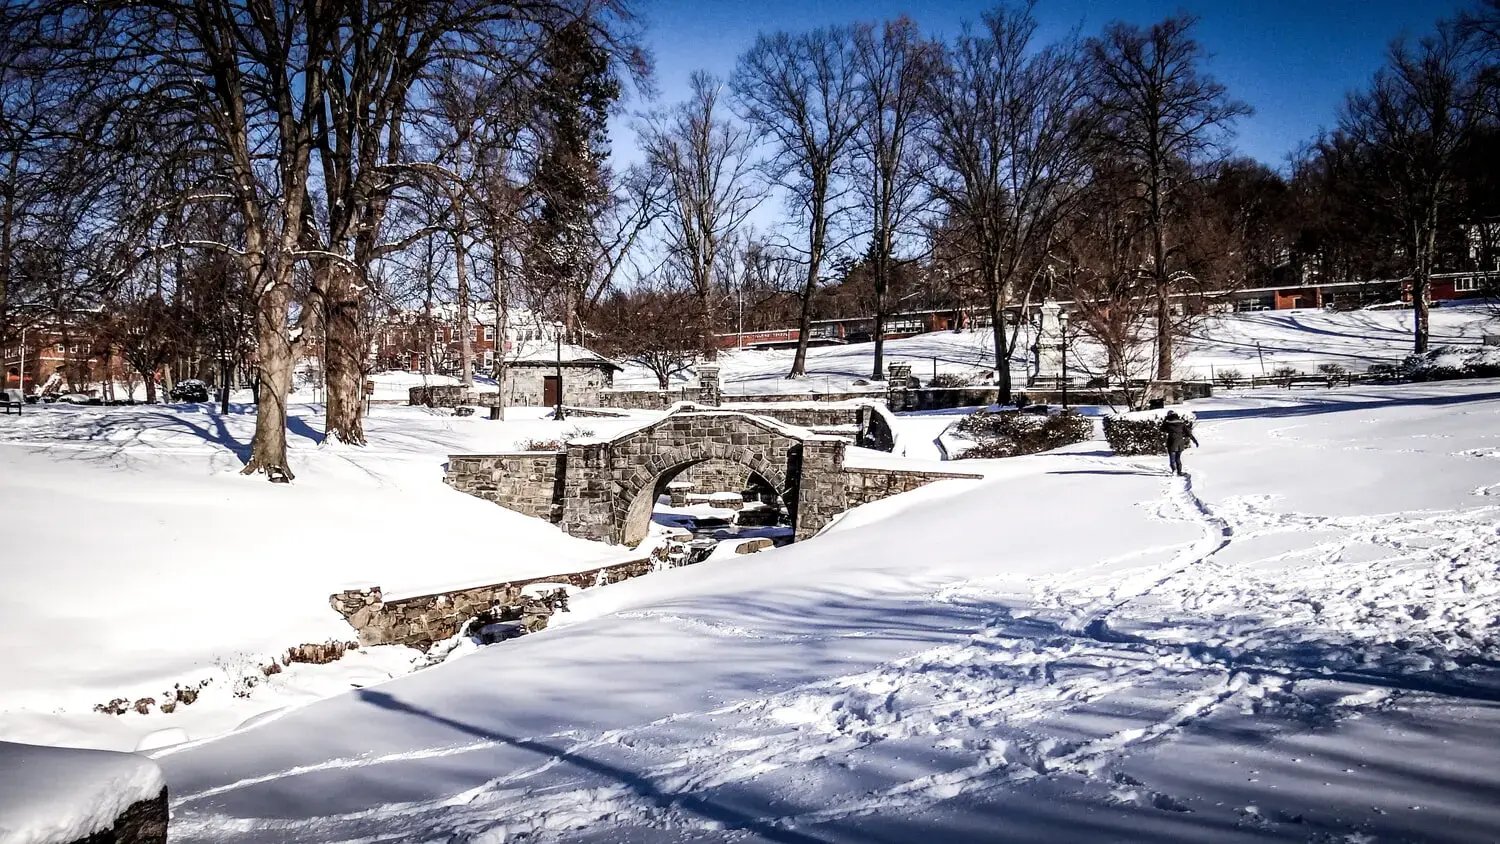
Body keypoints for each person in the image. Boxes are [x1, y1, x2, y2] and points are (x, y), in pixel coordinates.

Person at [1159, 410, 1200, 476]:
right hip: (1180, 443)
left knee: (1172, 459)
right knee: (1178, 458)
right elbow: (1189, 433)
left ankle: (1174, 471)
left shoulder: (1168, 423)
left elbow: (1161, 429)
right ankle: (1179, 472)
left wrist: (1165, 420)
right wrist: (1195, 441)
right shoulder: (1181, 423)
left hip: (1171, 442)